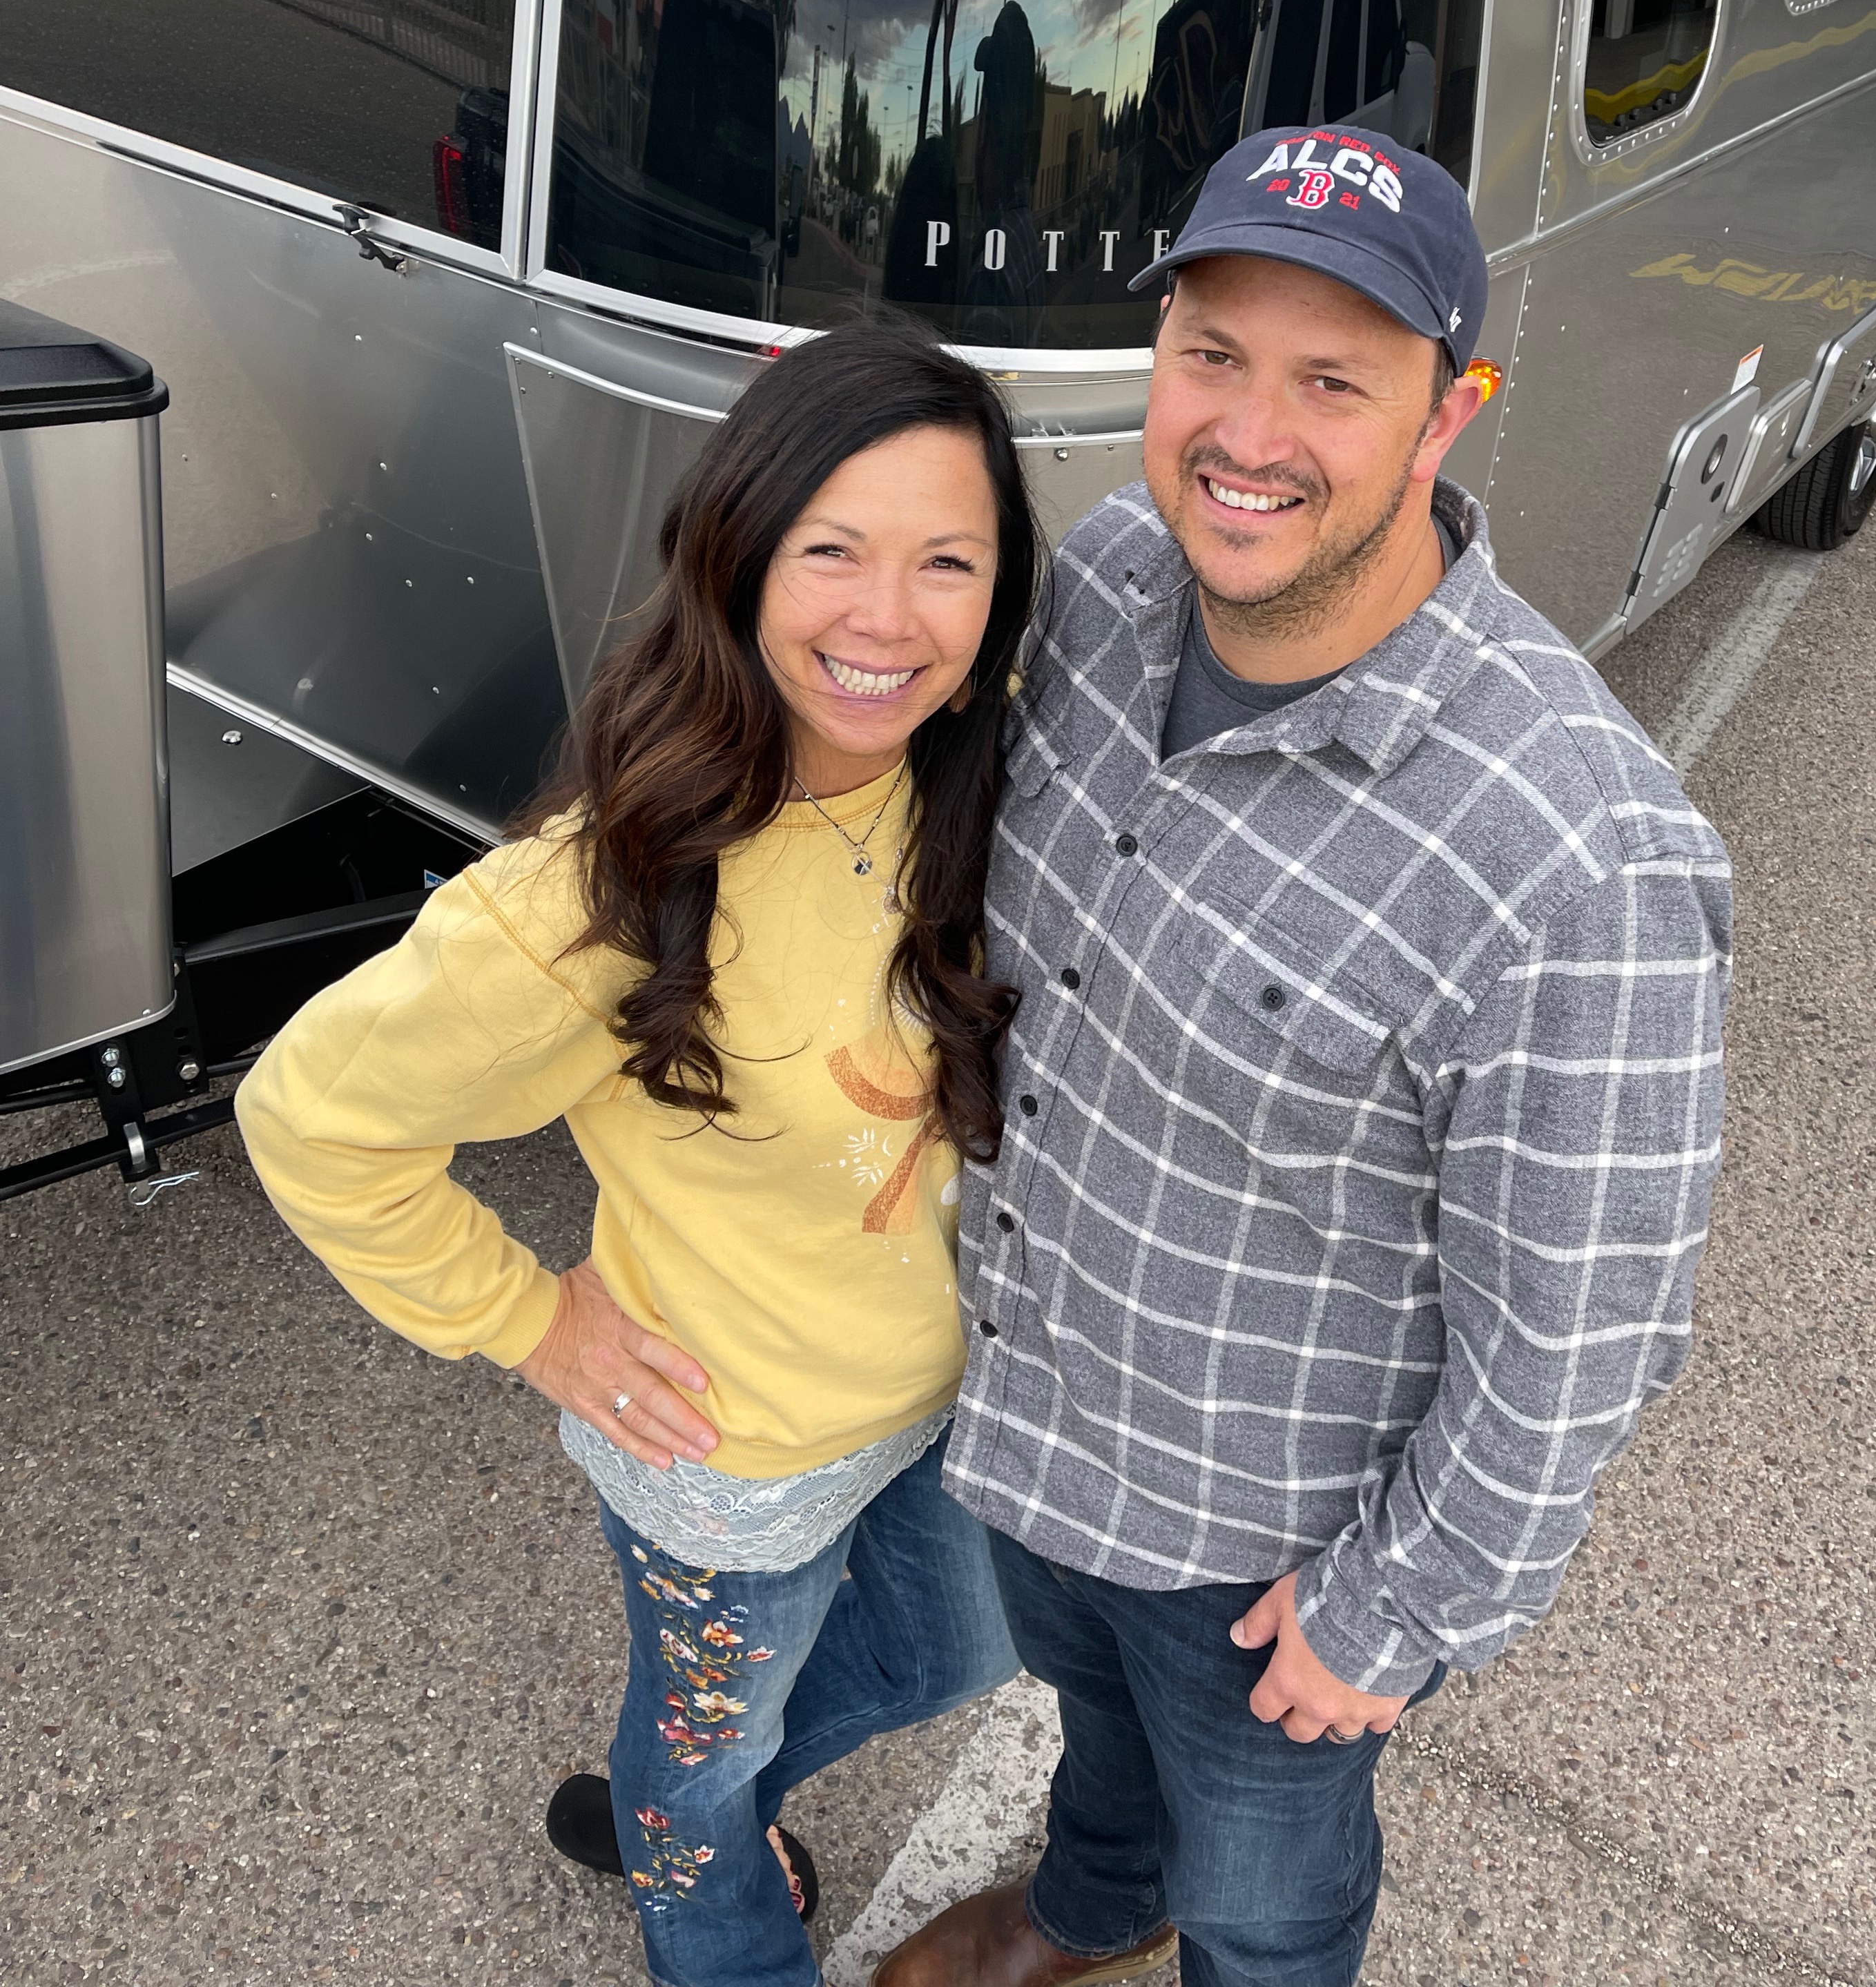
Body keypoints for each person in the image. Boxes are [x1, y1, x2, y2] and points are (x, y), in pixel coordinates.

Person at [876, 128, 1734, 1987]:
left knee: (1269, 1903)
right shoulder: (1114, 579)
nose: (1247, 435)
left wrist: (1395, 1611)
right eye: (1213, 353)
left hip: (1270, 1559)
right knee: (1094, 1737)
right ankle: (1099, 1902)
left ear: (1449, 416)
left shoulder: (1574, 858)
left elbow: (1580, 1333)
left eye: (1334, 381)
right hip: (1040, 1411)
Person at [237, 322, 1038, 1987]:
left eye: (947, 562)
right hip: (731, 1461)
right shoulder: (597, 890)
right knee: (705, 1763)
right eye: (831, 551)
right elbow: (311, 1116)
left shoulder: (973, 777)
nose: (888, 619)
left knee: (955, 1655)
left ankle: (690, 1797)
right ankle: (702, 1863)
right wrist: (532, 1321)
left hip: (948, 1403)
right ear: (736, 556)